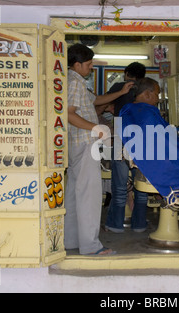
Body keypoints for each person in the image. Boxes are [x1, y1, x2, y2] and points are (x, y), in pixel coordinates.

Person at [64, 43, 134, 255]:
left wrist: (121, 91)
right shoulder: (75, 83)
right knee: (90, 196)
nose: (91, 67)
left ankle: (70, 240)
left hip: (77, 144)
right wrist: (96, 127)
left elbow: (97, 101)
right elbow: (69, 113)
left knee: (75, 194)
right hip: (85, 143)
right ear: (77, 64)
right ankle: (91, 247)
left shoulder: (75, 81)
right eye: (89, 64)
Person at [118, 77, 179, 216]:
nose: (157, 99)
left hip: (144, 164)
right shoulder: (148, 113)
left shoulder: (126, 111)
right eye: (156, 94)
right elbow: (167, 141)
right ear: (147, 94)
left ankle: (169, 197)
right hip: (160, 164)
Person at [104, 62, 149, 233]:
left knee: (120, 186)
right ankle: (139, 224)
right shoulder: (147, 88)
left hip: (120, 136)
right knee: (141, 183)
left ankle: (115, 225)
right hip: (143, 138)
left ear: (126, 73)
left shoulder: (118, 86)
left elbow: (102, 104)